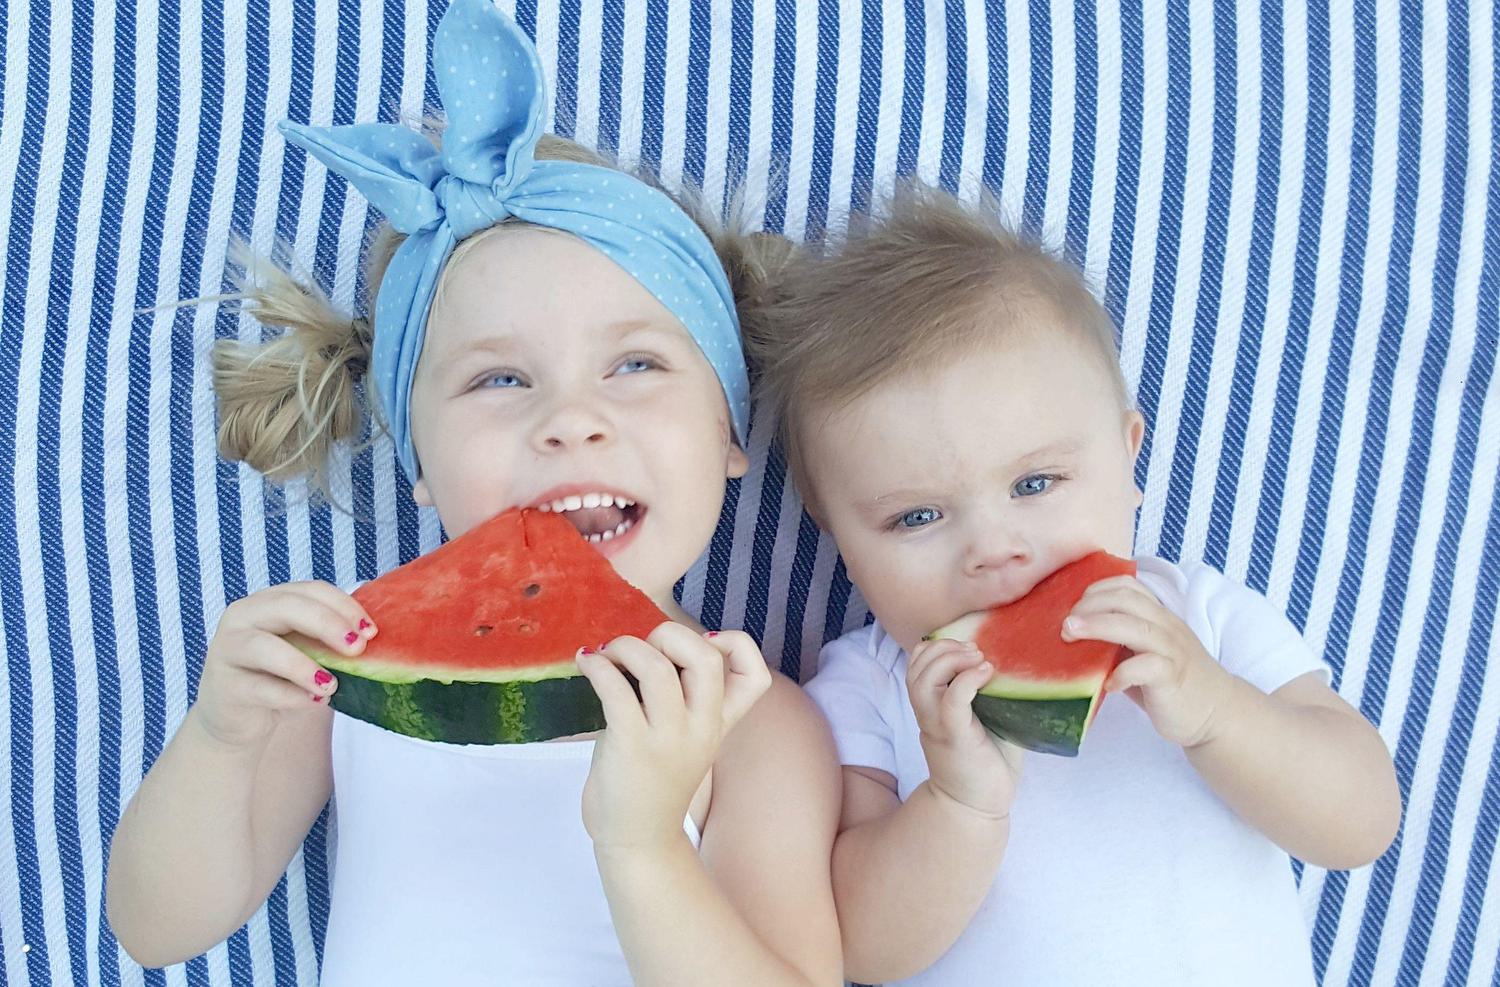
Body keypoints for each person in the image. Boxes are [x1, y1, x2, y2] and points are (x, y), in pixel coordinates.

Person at [106, 3, 840, 984]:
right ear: (417, 460)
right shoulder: (346, 663)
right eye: (500, 381)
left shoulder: (753, 721)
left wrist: (643, 840)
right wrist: (220, 737)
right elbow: (157, 931)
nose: (571, 419)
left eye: (634, 365)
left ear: (728, 432)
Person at [748, 183, 1401, 985]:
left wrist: (1217, 713)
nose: (993, 548)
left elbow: (1363, 822)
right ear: (839, 540)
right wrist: (958, 803)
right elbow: (861, 947)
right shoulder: (869, 686)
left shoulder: (1200, 613)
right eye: (916, 517)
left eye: (1035, 484)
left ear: (1130, 457)